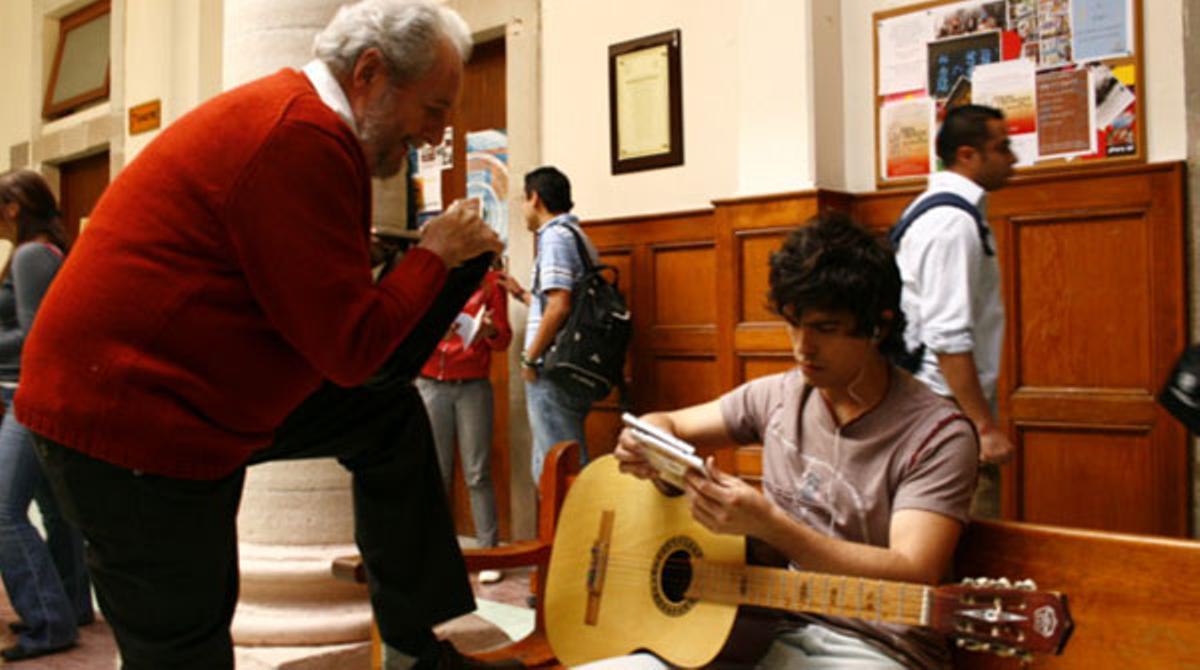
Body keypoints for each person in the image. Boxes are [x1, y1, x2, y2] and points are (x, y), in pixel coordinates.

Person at [12, 2, 516, 669]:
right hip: (127, 425)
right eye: (433, 110)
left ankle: (416, 646)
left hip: (188, 398)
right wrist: (433, 254)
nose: (435, 135)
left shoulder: (304, 127)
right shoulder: (298, 135)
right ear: (370, 73)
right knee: (184, 646)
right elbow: (353, 350)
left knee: (383, 416)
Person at [597, 214, 979, 669]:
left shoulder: (938, 436)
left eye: (826, 328)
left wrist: (772, 526)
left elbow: (913, 571)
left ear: (880, 325)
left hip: (874, 646)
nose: (803, 347)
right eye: (794, 324)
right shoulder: (778, 395)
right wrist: (649, 445)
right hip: (753, 628)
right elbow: (665, 422)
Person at [892, 104, 1017, 518]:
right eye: (1002, 147)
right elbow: (947, 339)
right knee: (964, 535)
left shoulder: (936, 211)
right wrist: (982, 428)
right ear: (968, 154)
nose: (1012, 158)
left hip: (935, 400)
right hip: (945, 404)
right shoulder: (951, 223)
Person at [0, 170, 93, 662]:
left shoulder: (32, 254)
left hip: (28, 397)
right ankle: (70, 604)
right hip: (42, 396)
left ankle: (48, 621)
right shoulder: (48, 251)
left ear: (14, 207)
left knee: (3, 512)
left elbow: (36, 336)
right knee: (58, 511)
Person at [417, 260, 511, 583]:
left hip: (472, 385)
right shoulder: (429, 279)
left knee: (477, 472)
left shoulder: (490, 284)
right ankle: (436, 552)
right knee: (436, 473)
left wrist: (491, 330)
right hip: (431, 383)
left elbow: (504, 339)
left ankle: (489, 554)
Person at [519, 166, 599, 483]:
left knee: (558, 467)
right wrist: (524, 296)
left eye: (523, 201)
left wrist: (530, 357)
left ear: (535, 198)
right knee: (561, 459)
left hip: (551, 368)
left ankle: (568, 533)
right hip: (575, 363)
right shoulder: (579, 237)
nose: (523, 210)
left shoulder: (553, 237)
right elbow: (562, 304)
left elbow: (559, 305)